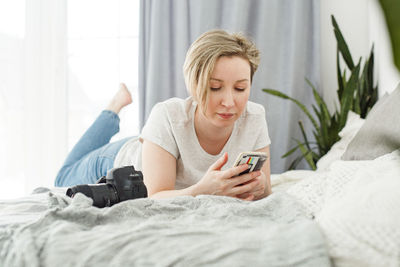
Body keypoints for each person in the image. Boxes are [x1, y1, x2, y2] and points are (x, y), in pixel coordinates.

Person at [55, 29, 272, 201]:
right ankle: (113, 108)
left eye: (241, 88)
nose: (229, 102)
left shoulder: (254, 116)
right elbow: (155, 196)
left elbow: (266, 189)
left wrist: (258, 186)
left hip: (157, 147)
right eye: (215, 87)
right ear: (194, 85)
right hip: (123, 159)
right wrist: (202, 190)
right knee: (62, 177)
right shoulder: (168, 115)